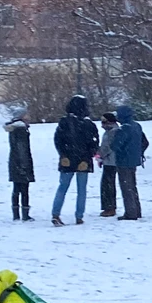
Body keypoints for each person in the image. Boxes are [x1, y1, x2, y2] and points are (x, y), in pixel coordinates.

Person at [50, 94, 98, 226]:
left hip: (67, 159)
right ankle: (79, 216)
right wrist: (87, 158)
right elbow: (93, 144)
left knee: (62, 187)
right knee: (81, 190)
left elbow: (58, 140)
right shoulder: (88, 124)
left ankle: (56, 214)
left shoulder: (64, 122)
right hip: (83, 160)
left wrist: (63, 155)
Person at [111, 105, 148, 220]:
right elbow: (145, 142)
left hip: (123, 161)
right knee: (133, 186)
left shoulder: (124, 129)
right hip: (134, 160)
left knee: (126, 187)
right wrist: (138, 152)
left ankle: (130, 213)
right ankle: (137, 210)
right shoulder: (137, 126)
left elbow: (115, 146)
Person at [5, 117, 35, 221]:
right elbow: (22, 149)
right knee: (24, 189)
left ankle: (16, 213)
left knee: (16, 189)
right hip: (22, 163)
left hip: (14, 162)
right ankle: (25, 214)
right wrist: (24, 166)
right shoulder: (21, 130)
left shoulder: (13, 129)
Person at [97, 111, 119, 217]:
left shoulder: (112, 132)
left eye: (104, 122)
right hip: (109, 161)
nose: (102, 125)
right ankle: (109, 206)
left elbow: (108, 147)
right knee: (108, 184)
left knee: (108, 185)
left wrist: (100, 156)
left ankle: (109, 207)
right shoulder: (110, 131)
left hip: (111, 162)